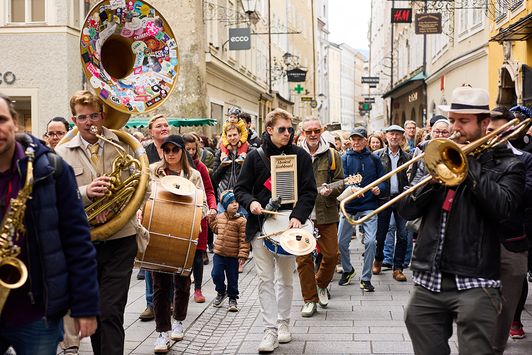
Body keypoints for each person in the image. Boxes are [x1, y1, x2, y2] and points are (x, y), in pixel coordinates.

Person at [397, 86, 526, 355]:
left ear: (484, 123)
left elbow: (503, 208)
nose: (456, 129)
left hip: (475, 281)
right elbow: (407, 210)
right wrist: (433, 180)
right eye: (453, 120)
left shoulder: (508, 164)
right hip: (428, 278)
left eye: (464, 122)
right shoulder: (434, 156)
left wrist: (468, 168)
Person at [0, 93, 98, 354]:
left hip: (36, 313)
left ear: (15, 123)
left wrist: (85, 306)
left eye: (1, 119)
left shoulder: (51, 168)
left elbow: (77, 241)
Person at [54, 90, 149, 355]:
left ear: (103, 115)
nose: (89, 122)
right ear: (74, 120)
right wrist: (86, 194)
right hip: (84, 243)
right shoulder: (61, 153)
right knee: (95, 312)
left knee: (110, 311)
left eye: (94, 115)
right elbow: (54, 198)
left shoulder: (124, 144)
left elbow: (143, 188)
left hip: (121, 240)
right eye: (82, 117)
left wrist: (117, 209)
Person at [234, 108, 317, 352]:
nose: (288, 133)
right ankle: (269, 330)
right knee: (264, 280)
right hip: (261, 227)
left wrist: (298, 216)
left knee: (286, 279)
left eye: (290, 129)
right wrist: (251, 202)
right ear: (269, 130)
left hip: (290, 226)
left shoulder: (300, 156)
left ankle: (283, 324)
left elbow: (309, 192)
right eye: (282, 129)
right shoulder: (254, 156)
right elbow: (240, 189)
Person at [148, 135, 208, 353]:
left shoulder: (193, 175)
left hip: (184, 234)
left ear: (182, 151)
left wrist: (203, 212)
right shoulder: (154, 170)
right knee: (160, 285)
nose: (170, 153)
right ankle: (162, 333)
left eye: (175, 149)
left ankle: (178, 322)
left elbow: (200, 202)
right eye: (167, 150)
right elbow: (146, 197)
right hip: (158, 234)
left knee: (182, 282)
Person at [487, 107, 532, 355]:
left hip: (511, 242)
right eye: (490, 130)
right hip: (478, 242)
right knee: (475, 309)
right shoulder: (474, 157)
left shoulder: (525, 159)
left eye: (500, 130)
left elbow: (526, 196)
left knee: (504, 310)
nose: (493, 134)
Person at [297, 117, 344, 316]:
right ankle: (309, 300)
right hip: (302, 215)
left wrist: (331, 191)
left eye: (317, 130)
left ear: (322, 130)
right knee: (303, 258)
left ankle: (321, 284)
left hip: (327, 212)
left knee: (332, 255)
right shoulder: (295, 155)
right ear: (302, 133)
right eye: (309, 132)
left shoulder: (333, 155)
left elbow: (341, 181)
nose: (313, 134)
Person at [336, 127, 387, 291]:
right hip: (349, 205)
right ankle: (348, 269)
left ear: (366, 141)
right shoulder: (344, 159)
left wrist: (380, 188)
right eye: (354, 139)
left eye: (360, 139)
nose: (356, 142)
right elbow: (342, 181)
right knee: (341, 242)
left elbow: (383, 180)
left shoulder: (374, 159)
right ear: (350, 141)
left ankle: (366, 278)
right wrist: (351, 190)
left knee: (371, 242)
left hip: (369, 205)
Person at [372, 125, 412, 282]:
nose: (394, 137)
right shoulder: (376, 156)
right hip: (384, 200)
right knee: (380, 234)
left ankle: (398, 268)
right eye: (391, 134)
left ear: (402, 138)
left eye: (397, 135)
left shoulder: (408, 157)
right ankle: (379, 258)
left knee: (402, 235)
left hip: (401, 200)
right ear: (386, 137)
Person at [183, 134, 217, 302]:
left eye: (193, 149)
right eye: (187, 149)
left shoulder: (201, 167)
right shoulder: (176, 166)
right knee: (183, 254)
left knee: (198, 254)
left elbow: (209, 190)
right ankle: (183, 288)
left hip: (199, 215)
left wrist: (212, 207)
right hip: (180, 217)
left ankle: (198, 290)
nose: (190, 152)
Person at [207, 190, 249, 311]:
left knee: (232, 277)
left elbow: (244, 240)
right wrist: (211, 220)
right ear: (225, 206)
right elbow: (216, 229)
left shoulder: (242, 221)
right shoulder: (220, 217)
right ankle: (221, 292)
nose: (235, 204)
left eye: (236, 202)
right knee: (216, 274)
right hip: (219, 253)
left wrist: (243, 255)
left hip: (233, 256)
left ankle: (233, 298)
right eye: (231, 203)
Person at [212, 124, 255, 218]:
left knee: (243, 230)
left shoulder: (251, 151)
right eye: (230, 136)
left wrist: (245, 164)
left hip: (243, 197)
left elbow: (256, 177)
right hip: (225, 198)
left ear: (240, 135)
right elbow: (215, 177)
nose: (232, 138)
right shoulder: (220, 152)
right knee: (223, 229)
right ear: (226, 137)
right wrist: (222, 166)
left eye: (235, 135)